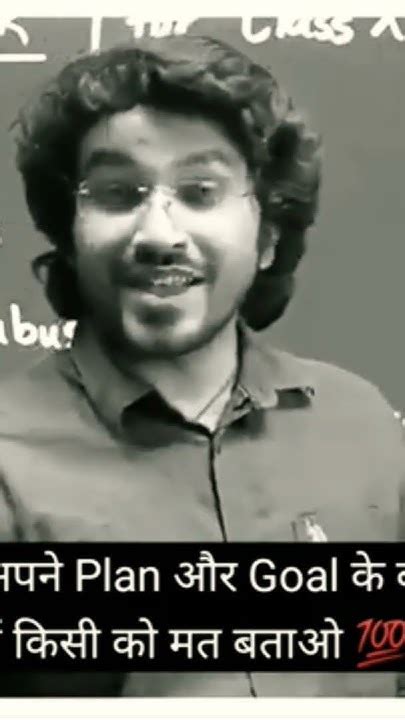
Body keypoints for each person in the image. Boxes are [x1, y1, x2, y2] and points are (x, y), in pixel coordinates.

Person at [0, 34, 403, 697]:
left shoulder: (362, 427)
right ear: (69, 236)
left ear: (268, 236)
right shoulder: (9, 465)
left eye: (200, 190)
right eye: (117, 193)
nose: (159, 234)